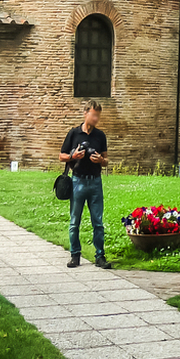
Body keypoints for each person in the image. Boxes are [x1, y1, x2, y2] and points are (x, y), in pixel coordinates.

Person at [58, 102, 111, 269]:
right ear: (85, 113)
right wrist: (73, 156)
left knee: (98, 222)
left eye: (98, 116)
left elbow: (106, 161)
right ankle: (75, 255)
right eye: (94, 115)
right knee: (74, 221)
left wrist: (101, 160)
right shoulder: (74, 133)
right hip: (78, 181)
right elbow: (61, 156)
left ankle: (100, 256)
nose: (96, 119)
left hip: (95, 182)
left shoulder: (100, 136)